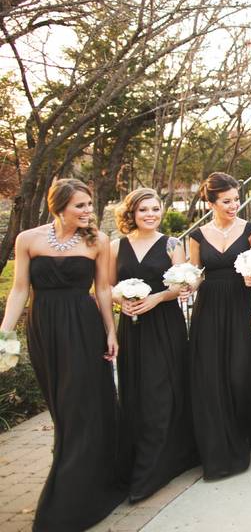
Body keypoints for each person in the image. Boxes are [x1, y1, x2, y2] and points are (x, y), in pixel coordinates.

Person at [0, 178, 127, 529]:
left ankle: (74, 492)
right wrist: (4, 333)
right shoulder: (28, 239)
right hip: (44, 328)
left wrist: (111, 330)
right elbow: (19, 290)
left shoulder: (97, 241)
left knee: (81, 405)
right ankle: (72, 468)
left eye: (90, 204)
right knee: (61, 407)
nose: (89, 212)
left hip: (84, 328)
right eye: (81, 206)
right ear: (59, 207)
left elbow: (102, 289)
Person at [187, 172, 251, 479]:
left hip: (242, 305)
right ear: (211, 202)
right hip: (210, 309)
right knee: (215, 373)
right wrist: (186, 282)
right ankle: (225, 432)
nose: (234, 205)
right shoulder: (197, 236)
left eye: (237, 199)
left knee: (242, 372)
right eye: (227, 201)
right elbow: (197, 274)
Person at [110, 188, 198, 501]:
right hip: (132, 328)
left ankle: (154, 469)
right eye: (143, 210)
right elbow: (105, 287)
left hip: (165, 325)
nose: (150, 214)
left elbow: (182, 282)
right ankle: (138, 459)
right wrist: (124, 300)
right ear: (131, 214)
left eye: (155, 209)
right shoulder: (115, 246)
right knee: (136, 393)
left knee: (163, 392)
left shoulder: (173, 244)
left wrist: (156, 298)